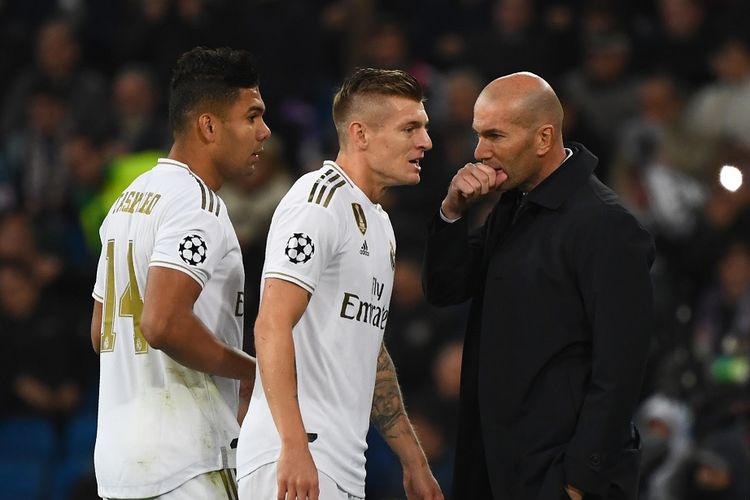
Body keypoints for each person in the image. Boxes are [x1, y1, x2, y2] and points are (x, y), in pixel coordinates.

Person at [422, 72, 655, 499]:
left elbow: (621, 370)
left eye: (494, 136)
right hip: (497, 466)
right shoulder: (515, 204)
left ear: (544, 139)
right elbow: (446, 288)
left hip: (558, 475)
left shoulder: (607, 226)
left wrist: (581, 478)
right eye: (478, 135)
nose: (479, 152)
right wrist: (452, 212)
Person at [237, 68, 443, 500]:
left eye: (424, 127)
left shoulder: (380, 224)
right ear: (360, 134)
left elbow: (369, 350)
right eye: (411, 128)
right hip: (296, 457)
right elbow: (270, 324)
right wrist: (292, 447)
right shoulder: (318, 201)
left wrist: (414, 461)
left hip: (341, 463)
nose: (425, 141)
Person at [89, 46, 269, 499]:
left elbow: (100, 331)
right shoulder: (197, 205)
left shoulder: (130, 198)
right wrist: (255, 372)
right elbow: (163, 323)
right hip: (185, 463)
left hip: (119, 466)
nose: (264, 132)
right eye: (251, 117)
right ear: (208, 126)